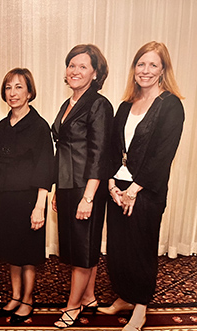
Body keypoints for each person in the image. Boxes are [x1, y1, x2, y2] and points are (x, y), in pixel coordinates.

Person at [98, 41, 185, 331]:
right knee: (119, 248)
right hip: (119, 187)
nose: (145, 70)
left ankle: (141, 307)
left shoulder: (170, 105)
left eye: (153, 65)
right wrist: (111, 183)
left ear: (163, 70)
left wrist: (135, 189)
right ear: (134, 68)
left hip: (146, 191)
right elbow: (112, 148)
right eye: (141, 64)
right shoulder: (125, 106)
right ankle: (125, 296)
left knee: (141, 249)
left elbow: (164, 154)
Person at [51, 44, 113, 328]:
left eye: (83, 66)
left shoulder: (99, 104)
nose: (75, 71)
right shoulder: (68, 104)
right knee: (79, 246)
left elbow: (100, 154)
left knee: (82, 249)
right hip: (66, 185)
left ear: (95, 72)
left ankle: (73, 306)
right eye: (71, 65)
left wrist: (88, 197)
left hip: (86, 188)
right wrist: (56, 188)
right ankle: (88, 296)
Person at [0, 68, 54, 324]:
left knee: (28, 255)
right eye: (8, 87)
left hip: (29, 200)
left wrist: (40, 207)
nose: (12, 93)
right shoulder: (1, 126)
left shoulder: (39, 126)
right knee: (11, 253)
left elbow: (45, 168)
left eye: (18, 87)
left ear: (29, 92)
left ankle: (28, 300)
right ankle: (14, 296)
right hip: (4, 198)